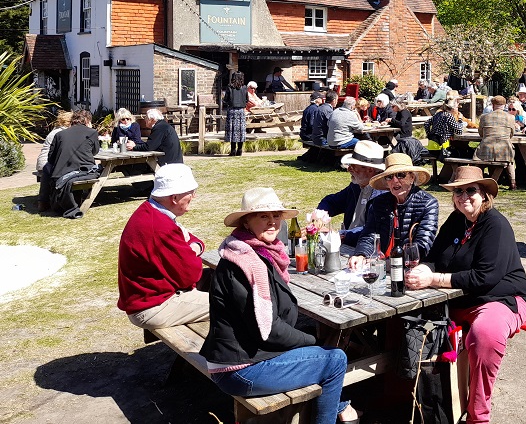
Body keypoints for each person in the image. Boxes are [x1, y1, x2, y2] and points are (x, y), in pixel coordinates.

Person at [199, 188, 359, 424]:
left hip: (238, 358)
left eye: (276, 216)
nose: (272, 222)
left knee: (316, 350)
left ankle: (340, 406)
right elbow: (269, 330)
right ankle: (335, 413)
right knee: (335, 359)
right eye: (263, 217)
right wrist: (312, 341)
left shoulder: (252, 252)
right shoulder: (244, 263)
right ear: (246, 221)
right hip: (239, 370)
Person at [406, 166, 526, 424]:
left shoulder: (496, 225)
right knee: (408, 321)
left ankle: (478, 416)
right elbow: (434, 258)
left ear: (484, 195)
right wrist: (421, 269)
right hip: (457, 299)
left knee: (485, 334)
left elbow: (485, 278)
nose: (463, 196)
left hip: (499, 299)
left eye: (470, 190)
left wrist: (434, 279)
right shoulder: (455, 221)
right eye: (457, 191)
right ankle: (411, 400)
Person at [117, 163, 211, 327]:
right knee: (230, 302)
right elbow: (190, 274)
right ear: (174, 198)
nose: (194, 196)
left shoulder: (151, 211)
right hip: (153, 307)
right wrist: (193, 248)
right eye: (191, 193)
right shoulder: (159, 227)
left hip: (151, 297)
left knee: (222, 277)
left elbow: (192, 239)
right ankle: (225, 350)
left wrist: (194, 247)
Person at [348, 153, 439, 268]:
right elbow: (368, 235)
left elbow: (422, 245)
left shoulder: (428, 203)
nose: (395, 180)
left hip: (411, 268)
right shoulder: (379, 202)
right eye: (389, 177)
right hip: (379, 265)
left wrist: (388, 263)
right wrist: (361, 255)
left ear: (412, 178)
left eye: (400, 175)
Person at [317, 140, 387, 245]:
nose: (349, 169)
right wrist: (318, 218)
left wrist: (340, 235)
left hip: (367, 249)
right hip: (349, 244)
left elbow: (371, 229)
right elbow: (331, 202)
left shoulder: (383, 194)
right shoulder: (355, 187)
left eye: (353, 166)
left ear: (370, 170)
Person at [46, 109, 99, 218]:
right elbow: (95, 151)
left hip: (61, 173)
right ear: (88, 120)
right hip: (84, 171)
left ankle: (43, 201)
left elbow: (51, 158)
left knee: (47, 168)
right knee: (99, 169)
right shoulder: (92, 132)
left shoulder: (59, 134)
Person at [474, 95, 519, 190]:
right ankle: (513, 183)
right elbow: (511, 134)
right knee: (509, 159)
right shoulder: (510, 117)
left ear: (493, 105)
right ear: (504, 105)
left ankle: (476, 179)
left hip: (486, 149)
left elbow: (481, 133)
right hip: (504, 150)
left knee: (479, 162)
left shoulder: (484, 117)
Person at [36, 110, 73, 212]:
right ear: (69, 122)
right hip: (46, 163)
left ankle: (47, 200)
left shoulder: (58, 131)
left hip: (47, 162)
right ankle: (49, 201)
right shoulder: (60, 133)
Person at [224, 71, 248, 157]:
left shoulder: (229, 87)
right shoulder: (244, 87)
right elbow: (246, 100)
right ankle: (240, 150)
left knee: (232, 130)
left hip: (232, 110)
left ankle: (233, 150)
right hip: (241, 111)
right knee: (240, 131)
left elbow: (226, 99)